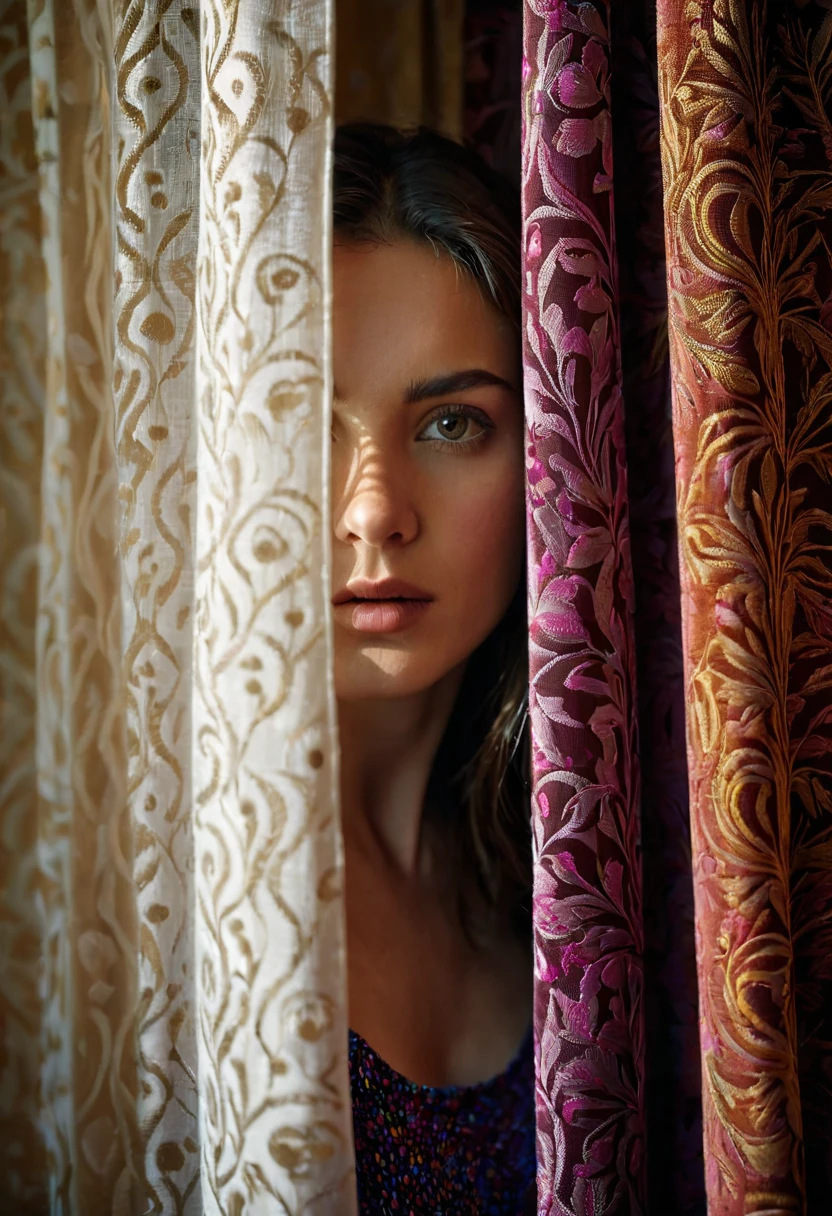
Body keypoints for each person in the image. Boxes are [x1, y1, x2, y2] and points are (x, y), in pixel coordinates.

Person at [331, 122, 536, 1214]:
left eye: (452, 422)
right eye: (296, 426)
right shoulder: (140, 908)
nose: (373, 510)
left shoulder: (583, 868)